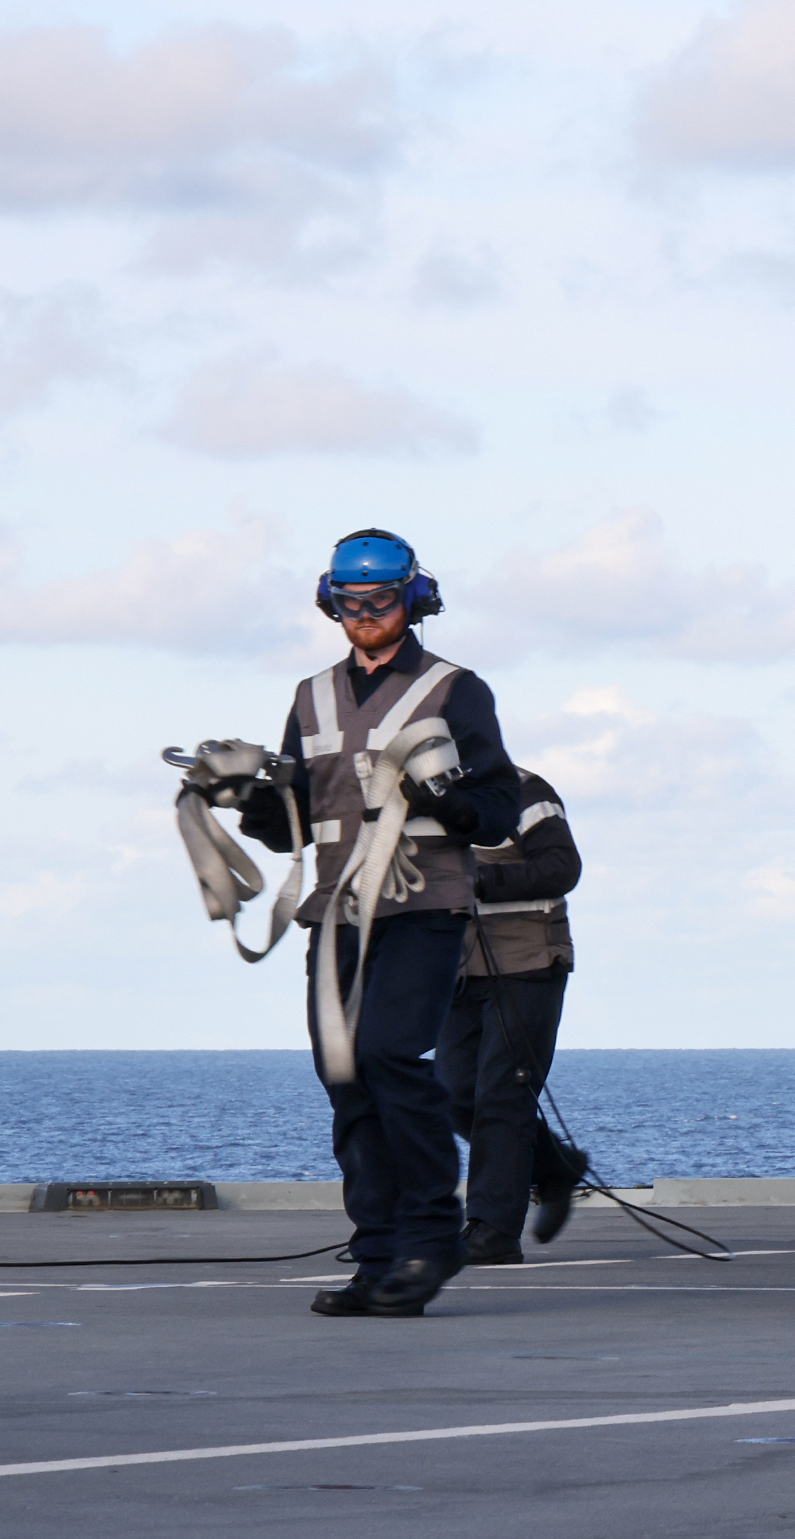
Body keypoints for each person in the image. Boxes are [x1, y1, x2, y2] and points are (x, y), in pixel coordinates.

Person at [238, 529, 524, 1319]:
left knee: (390, 1056)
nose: (364, 615)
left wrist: (448, 803)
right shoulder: (311, 696)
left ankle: (431, 1239)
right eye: (350, 603)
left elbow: (497, 812)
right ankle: (376, 1257)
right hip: (334, 912)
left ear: (414, 600)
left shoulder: (456, 691)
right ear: (330, 602)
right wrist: (246, 798)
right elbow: (289, 826)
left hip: (422, 905)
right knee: (346, 1076)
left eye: (381, 601)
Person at [437, 766, 589, 1267]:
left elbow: (561, 869)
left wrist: (477, 880)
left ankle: (492, 1229)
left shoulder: (528, 792)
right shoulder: (416, 798)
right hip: (461, 972)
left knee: (503, 1094)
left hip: (529, 964)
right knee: (452, 1091)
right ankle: (555, 1166)